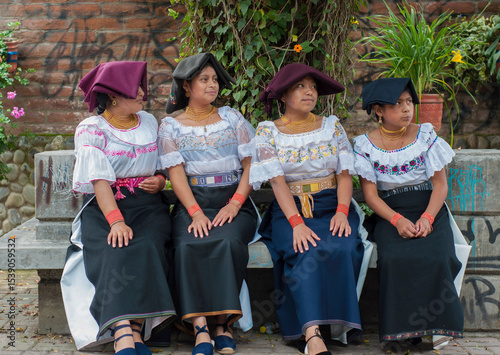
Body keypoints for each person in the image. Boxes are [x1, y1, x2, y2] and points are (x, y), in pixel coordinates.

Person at [249, 63, 373, 355]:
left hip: (332, 206)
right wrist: (296, 223)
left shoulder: (332, 126)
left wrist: (343, 212)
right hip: (289, 210)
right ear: (282, 95)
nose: (310, 92)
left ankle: (338, 326)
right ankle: (311, 334)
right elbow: (277, 183)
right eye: (301, 86)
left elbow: (345, 174)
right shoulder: (268, 132)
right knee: (305, 249)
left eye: (314, 87)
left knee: (342, 247)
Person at [60, 61, 176, 354]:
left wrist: (161, 182)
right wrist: (115, 221)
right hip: (105, 207)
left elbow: (163, 166)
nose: (142, 92)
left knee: (147, 244)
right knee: (116, 248)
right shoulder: (92, 129)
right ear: (113, 95)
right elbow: (99, 182)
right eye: (134, 88)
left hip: (149, 206)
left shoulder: (150, 122)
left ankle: (136, 329)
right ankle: (124, 332)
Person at [353, 78, 470, 351]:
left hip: (429, 207)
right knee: (393, 259)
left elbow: (440, 185)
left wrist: (428, 218)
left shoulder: (426, 136)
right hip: (390, 213)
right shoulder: (364, 145)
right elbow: (371, 196)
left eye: (409, 102)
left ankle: (436, 327)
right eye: (398, 103)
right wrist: (396, 220)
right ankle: (402, 333)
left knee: (437, 256)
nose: (407, 109)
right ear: (379, 110)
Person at [157, 53, 259, 355]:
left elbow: (251, 165)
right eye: (204, 79)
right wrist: (196, 213)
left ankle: (222, 325)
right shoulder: (171, 126)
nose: (212, 84)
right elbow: (176, 176)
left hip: (233, 201)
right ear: (186, 87)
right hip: (194, 202)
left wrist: (236, 203)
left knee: (226, 241)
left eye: (215, 79)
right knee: (188, 243)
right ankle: (199, 326)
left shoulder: (232, 119)